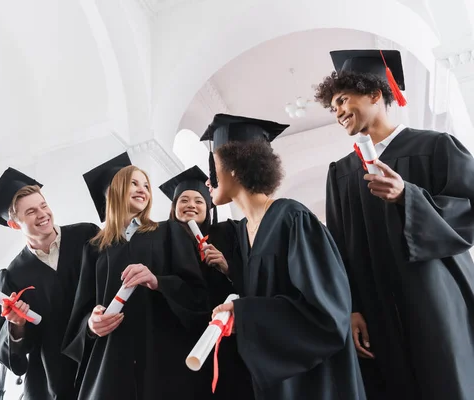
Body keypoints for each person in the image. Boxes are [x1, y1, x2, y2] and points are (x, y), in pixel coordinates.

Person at [314, 49, 474, 400]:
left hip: (433, 295)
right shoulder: (341, 172)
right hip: (375, 307)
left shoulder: (435, 146)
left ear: (374, 93)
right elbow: (338, 247)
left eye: (343, 100)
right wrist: (352, 308)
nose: (337, 111)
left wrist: (408, 196)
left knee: (446, 379)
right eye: (333, 106)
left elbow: (468, 209)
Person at [203, 113, 365, 400]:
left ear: (236, 168)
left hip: (315, 380)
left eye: (213, 167)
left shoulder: (293, 218)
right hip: (277, 382)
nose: (208, 180)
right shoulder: (244, 232)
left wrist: (245, 315)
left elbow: (327, 315)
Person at [62, 153, 209, 400]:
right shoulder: (95, 248)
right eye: (134, 183)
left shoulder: (168, 231)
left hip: (160, 359)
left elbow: (197, 295)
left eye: (146, 185)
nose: (143, 190)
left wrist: (158, 281)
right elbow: (82, 309)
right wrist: (91, 324)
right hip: (111, 362)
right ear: (115, 189)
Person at [0, 167, 99, 400]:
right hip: (57, 377)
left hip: (101, 353)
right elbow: (3, 348)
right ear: (15, 225)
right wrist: (17, 325)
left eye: (43, 206)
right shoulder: (14, 275)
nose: (43, 214)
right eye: (31, 211)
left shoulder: (87, 236)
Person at [159, 165, 254, 399]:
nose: (191, 205)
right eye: (184, 200)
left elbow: (253, 277)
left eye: (199, 201)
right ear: (174, 207)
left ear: (209, 208)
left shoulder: (228, 232)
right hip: (179, 336)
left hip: (225, 335)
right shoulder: (161, 238)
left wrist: (226, 266)